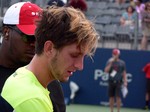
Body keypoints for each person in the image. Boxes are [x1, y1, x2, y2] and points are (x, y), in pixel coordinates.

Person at [1, 5, 99, 112]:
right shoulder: (32, 98)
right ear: (49, 48)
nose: (80, 66)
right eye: (74, 55)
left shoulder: (22, 74)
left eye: (37, 37)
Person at [0, 2, 66, 112]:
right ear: (6, 32)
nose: (35, 44)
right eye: (29, 37)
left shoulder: (49, 81)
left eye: (40, 39)